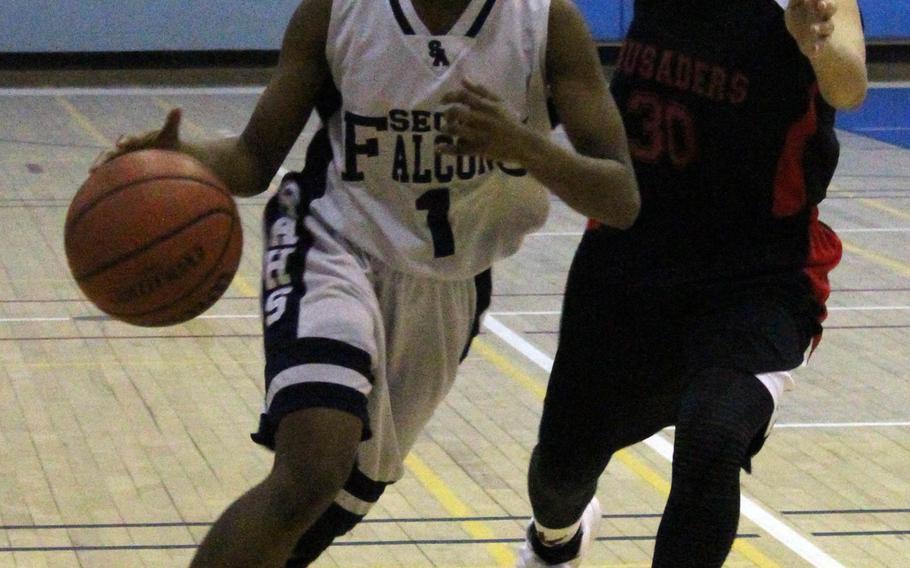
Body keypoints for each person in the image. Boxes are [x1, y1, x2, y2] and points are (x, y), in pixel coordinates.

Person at [97, 0, 640, 566]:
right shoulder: (336, 11)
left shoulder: (547, 23)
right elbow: (253, 158)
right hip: (332, 239)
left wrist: (525, 145)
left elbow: (621, 199)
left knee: (324, 512)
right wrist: (181, 156)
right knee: (311, 470)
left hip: (447, 282)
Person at [518, 0, 867, 566]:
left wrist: (819, 46)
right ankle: (555, 540)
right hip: (628, 262)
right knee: (560, 473)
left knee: (714, 434)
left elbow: (850, 83)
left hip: (757, 274)